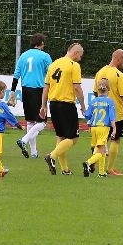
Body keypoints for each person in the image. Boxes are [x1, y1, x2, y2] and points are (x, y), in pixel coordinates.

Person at [40, 42, 86, 176]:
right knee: (73, 138)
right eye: (80, 55)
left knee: (61, 137)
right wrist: (83, 105)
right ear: (76, 53)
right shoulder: (74, 65)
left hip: (53, 104)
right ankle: (52, 156)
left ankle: (65, 169)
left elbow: (46, 87)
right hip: (66, 104)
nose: (80, 58)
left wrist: (43, 105)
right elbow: (77, 87)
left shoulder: (53, 64)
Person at [9, 33, 51, 159]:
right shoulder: (45, 56)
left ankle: (33, 152)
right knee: (42, 122)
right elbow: (50, 75)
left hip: (25, 89)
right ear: (42, 43)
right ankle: (24, 140)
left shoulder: (23, 55)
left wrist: (12, 91)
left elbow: (16, 75)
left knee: (30, 121)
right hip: (39, 90)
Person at [94, 49, 123, 176]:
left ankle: (92, 163)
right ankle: (110, 168)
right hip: (116, 113)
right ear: (119, 58)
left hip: (101, 113)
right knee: (115, 140)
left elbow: (96, 92)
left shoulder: (100, 72)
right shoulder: (118, 75)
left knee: (101, 140)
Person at [83, 78, 118, 179]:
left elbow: (88, 115)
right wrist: (114, 128)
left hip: (93, 128)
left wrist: (83, 112)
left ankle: (101, 172)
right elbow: (112, 117)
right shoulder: (109, 102)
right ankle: (88, 163)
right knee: (101, 151)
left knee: (100, 149)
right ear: (108, 89)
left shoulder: (93, 101)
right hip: (103, 127)